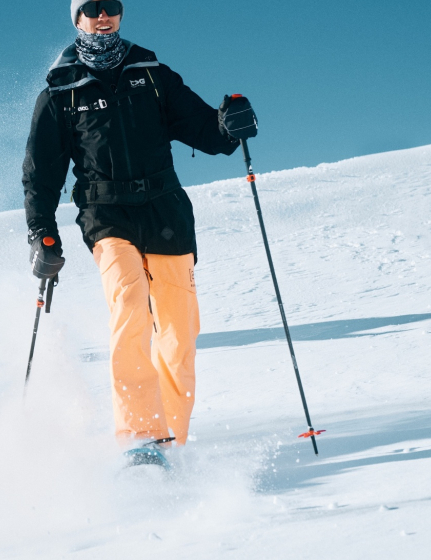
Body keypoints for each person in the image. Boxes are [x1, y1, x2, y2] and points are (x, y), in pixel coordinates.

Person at [22, 0, 259, 451]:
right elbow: (41, 174)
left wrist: (231, 122)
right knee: (129, 303)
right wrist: (41, 233)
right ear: (77, 19)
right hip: (106, 213)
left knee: (178, 331)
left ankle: (173, 443)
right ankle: (141, 439)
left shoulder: (152, 75)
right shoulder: (61, 91)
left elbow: (208, 133)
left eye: (110, 5)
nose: (102, 14)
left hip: (164, 209)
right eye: (91, 8)